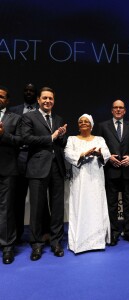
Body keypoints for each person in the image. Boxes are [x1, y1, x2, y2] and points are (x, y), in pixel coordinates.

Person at [22, 87, 67, 260]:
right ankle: (37, 245)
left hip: (57, 168)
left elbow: (59, 143)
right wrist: (51, 137)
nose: (48, 101)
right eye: (45, 98)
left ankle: (56, 242)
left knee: (57, 209)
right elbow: (26, 139)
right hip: (37, 168)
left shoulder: (58, 118)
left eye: (51, 98)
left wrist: (61, 136)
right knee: (37, 209)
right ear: (39, 100)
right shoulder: (29, 117)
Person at [9, 83, 51, 244]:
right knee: (18, 200)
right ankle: (17, 234)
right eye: (25, 90)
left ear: (37, 96)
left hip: (38, 159)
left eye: (32, 91)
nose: (28, 92)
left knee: (40, 199)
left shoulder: (43, 112)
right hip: (19, 159)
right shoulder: (14, 110)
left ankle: (43, 232)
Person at [64, 114, 110, 253]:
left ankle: (97, 241)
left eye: (86, 122)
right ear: (78, 125)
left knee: (96, 205)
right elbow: (67, 153)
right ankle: (79, 241)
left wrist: (100, 154)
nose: (83, 123)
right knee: (80, 205)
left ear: (91, 125)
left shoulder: (99, 139)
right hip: (79, 179)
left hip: (96, 178)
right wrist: (83, 154)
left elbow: (107, 154)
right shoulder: (72, 139)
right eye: (81, 122)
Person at [97, 100, 129, 246]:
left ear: (125, 111)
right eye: (116, 107)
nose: (118, 110)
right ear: (112, 110)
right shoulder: (103, 126)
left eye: (121, 108)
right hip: (111, 171)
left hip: (128, 171)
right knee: (112, 204)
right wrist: (109, 158)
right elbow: (99, 146)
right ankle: (113, 232)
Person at [0, 86, 22, 264]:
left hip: (7, 169)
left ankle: (7, 247)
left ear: (7, 101)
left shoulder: (15, 118)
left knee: (6, 210)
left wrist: (3, 134)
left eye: (2, 97)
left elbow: (20, 141)